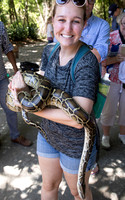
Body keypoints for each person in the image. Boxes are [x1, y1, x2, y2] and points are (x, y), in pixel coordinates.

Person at [9, 1, 100, 199]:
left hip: (76, 144)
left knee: (78, 191)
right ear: (52, 22)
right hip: (48, 135)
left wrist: (27, 106)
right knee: (49, 185)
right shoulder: (50, 51)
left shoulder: (87, 61)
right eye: (61, 20)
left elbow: (78, 119)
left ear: (84, 24)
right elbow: (42, 84)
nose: (67, 28)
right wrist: (20, 85)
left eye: (75, 21)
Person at [0, 19, 32, 150]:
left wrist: (16, 71)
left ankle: (15, 135)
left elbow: (8, 47)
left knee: (11, 106)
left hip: (1, 77)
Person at [80, 0, 110, 175]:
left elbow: (100, 52)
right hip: (67, 82)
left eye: (91, 0)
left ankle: (91, 162)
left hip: (91, 82)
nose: (88, 3)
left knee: (90, 122)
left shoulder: (102, 25)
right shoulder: (67, 19)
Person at [101, 12, 125, 149]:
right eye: (124, 24)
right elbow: (102, 61)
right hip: (112, 79)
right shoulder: (111, 38)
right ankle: (106, 136)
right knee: (108, 109)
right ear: (120, 22)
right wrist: (116, 59)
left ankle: (123, 134)